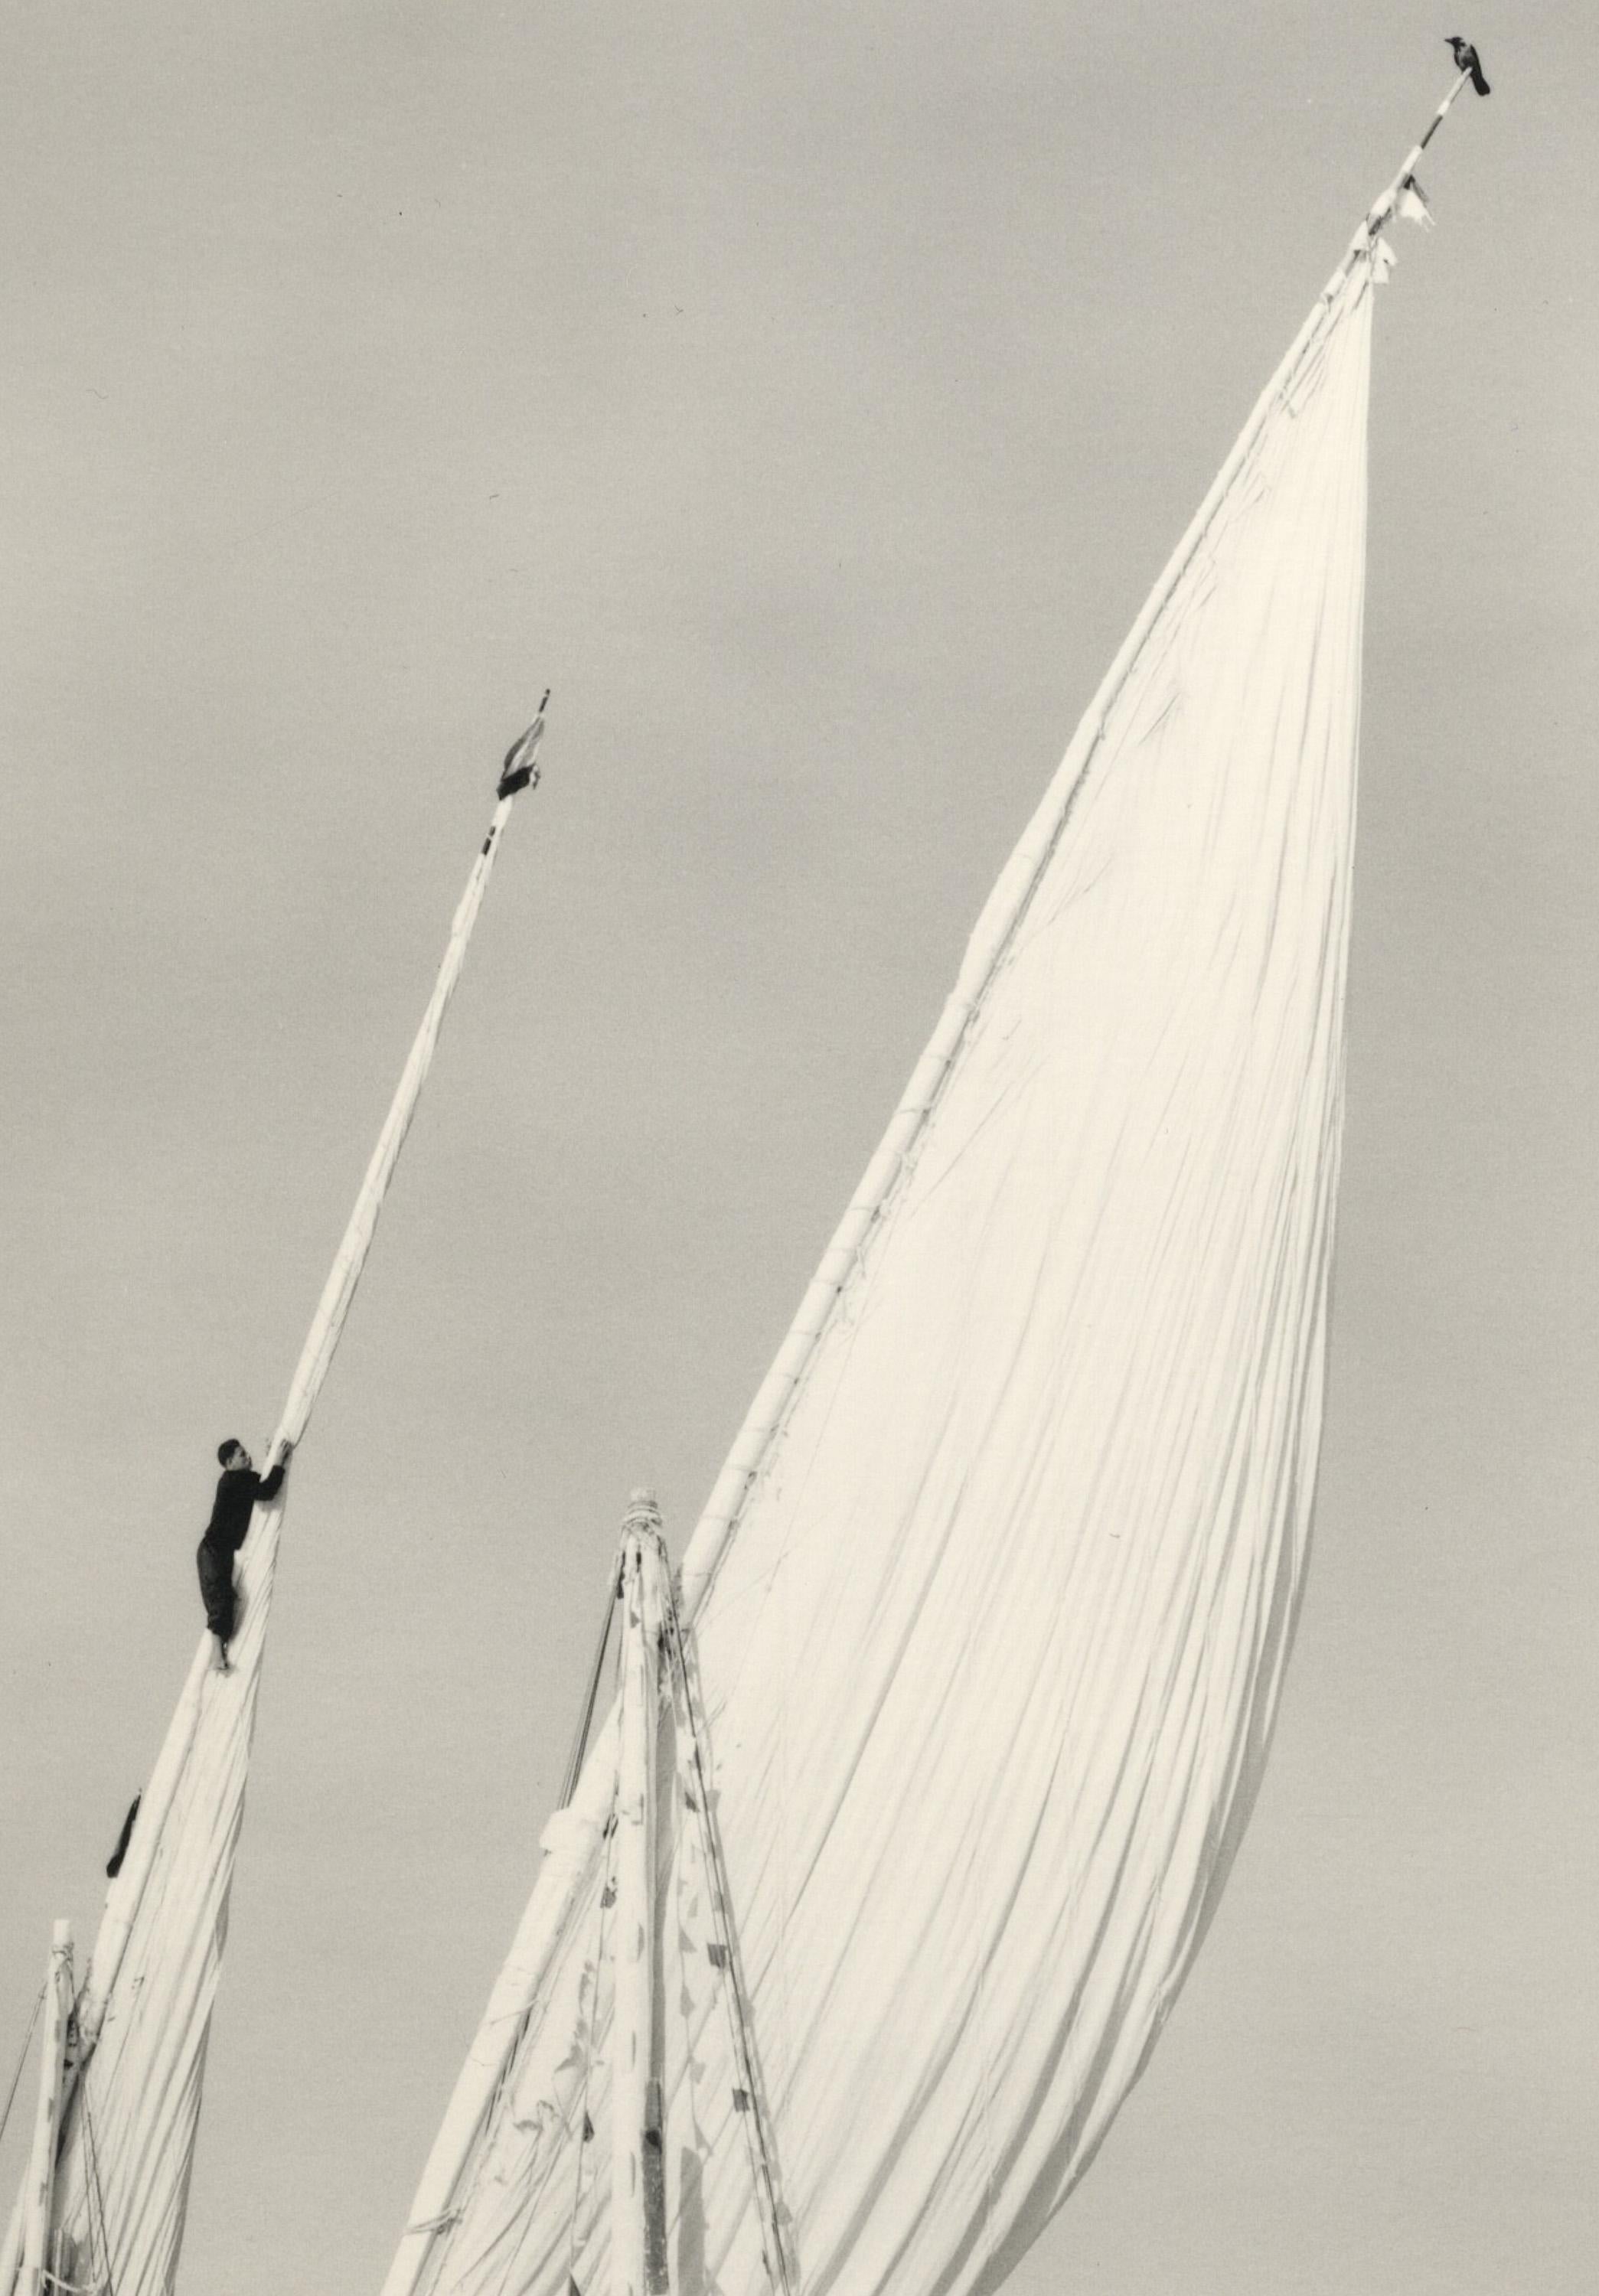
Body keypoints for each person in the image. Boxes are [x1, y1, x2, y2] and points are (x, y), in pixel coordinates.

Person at [197, 1437, 293, 1671]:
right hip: (212, 1550)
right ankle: (216, 1656)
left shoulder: (242, 1479)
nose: (248, 1457)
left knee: (228, 1599)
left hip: (221, 1551)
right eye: (242, 1455)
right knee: (220, 1599)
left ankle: (220, 1653)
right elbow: (267, 1490)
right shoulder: (232, 1481)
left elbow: (264, 1484)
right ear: (230, 1462)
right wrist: (278, 1461)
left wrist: (275, 1459)